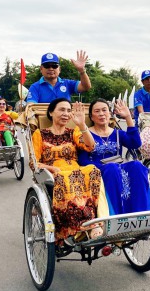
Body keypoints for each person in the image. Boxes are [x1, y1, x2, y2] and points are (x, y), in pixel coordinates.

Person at [32, 98, 108, 243]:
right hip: (53, 173)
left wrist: (81, 124)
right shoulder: (39, 134)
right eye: (62, 110)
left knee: (93, 170)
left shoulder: (73, 132)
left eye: (68, 110)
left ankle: (95, 222)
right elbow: (34, 162)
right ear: (51, 112)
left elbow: (90, 146)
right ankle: (73, 227)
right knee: (63, 177)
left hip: (75, 169)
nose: (66, 113)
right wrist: (51, 168)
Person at [78, 98, 150, 215]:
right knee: (112, 168)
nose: (101, 114)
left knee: (137, 166)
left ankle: (142, 212)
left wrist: (128, 118)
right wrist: (103, 167)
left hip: (117, 168)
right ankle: (116, 213)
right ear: (91, 116)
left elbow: (135, 143)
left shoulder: (117, 133)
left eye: (104, 110)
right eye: (97, 111)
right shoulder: (85, 134)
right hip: (98, 170)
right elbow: (82, 160)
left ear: (110, 114)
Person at [25, 51, 91, 103]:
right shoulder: (35, 87)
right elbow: (31, 106)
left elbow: (86, 87)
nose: (51, 69)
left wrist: (82, 71)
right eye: (47, 66)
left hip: (66, 119)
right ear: (41, 69)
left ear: (59, 69)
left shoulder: (67, 84)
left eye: (54, 66)